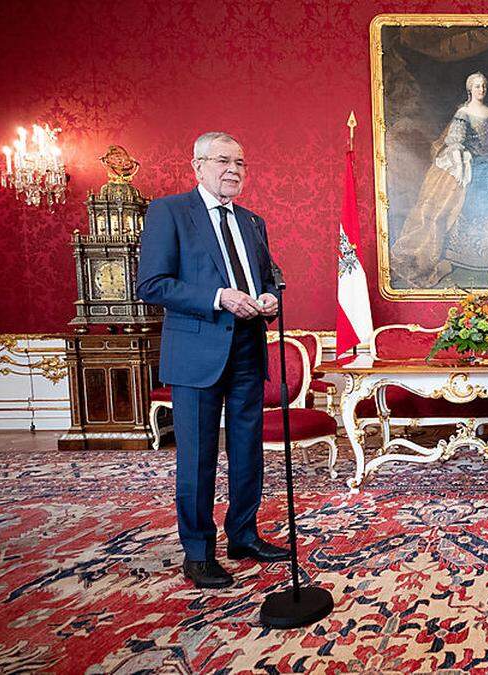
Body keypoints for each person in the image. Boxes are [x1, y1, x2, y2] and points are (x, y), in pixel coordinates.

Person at [137, 132, 288, 589]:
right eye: (223, 161)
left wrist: (269, 297)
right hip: (196, 355)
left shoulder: (252, 221)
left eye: (240, 162)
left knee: (247, 452)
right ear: (197, 166)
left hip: (247, 349)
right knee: (199, 457)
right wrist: (219, 297)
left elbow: (269, 278)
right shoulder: (170, 212)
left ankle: (243, 535)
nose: (234, 170)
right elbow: (152, 285)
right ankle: (198, 552)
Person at [392, 72, 488, 288]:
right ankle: (462, 255)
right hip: (475, 166)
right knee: (469, 206)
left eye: (483, 85)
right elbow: (454, 140)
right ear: (470, 89)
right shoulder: (463, 112)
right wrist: (459, 157)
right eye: (476, 86)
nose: (481, 90)